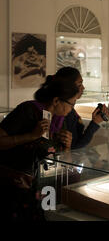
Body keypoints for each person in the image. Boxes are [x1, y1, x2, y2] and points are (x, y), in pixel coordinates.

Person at [0, 77, 79, 220]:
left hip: (45, 187)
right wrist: (31, 135)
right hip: (18, 187)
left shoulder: (59, 119)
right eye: (71, 104)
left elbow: (61, 157)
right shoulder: (28, 110)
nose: (72, 109)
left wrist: (67, 147)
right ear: (56, 101)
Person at [54, 67, 109, 149]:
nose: (83, 88)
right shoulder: (64, 112)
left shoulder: (69, 110)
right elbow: (76, 146)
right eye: (79, 84)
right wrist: (94, 123)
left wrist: (95, 121)